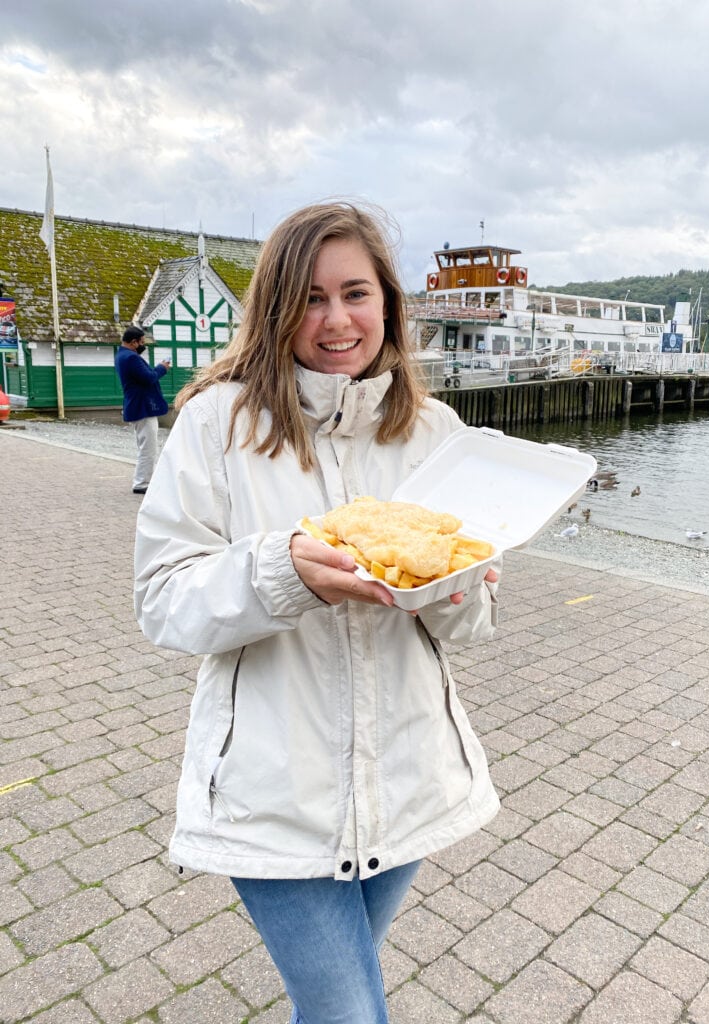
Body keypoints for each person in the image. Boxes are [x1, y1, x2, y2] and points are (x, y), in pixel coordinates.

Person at [133, 201, 501, 1024]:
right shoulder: (215, 426)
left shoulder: (436, 431)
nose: (336, 320)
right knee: (349, 1011)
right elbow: (162, 602)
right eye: (309, 297)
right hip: (274, 792)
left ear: (389, 304)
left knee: (335, 1004)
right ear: (274, 309)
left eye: (356, 293)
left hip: (405, 779)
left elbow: (468, 630)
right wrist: (283, 572)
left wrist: (459, 584)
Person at [114, 325, 171, 494]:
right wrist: (162, 368)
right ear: (133, 342)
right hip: (143, 407)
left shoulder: (121, 356)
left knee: (144, 446)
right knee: (148, 448)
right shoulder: (131, 358)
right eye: (142, 342)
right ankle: (142, 483)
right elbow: (148, 378)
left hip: (136, 406)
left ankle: (144, 480)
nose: (143, 345)